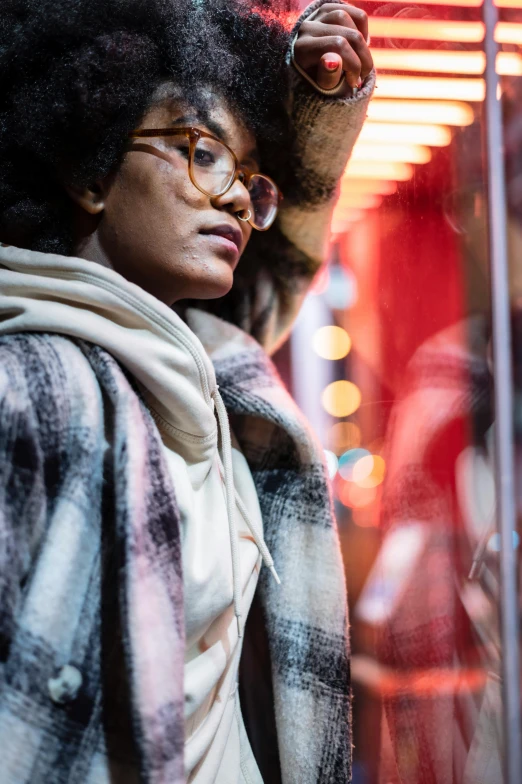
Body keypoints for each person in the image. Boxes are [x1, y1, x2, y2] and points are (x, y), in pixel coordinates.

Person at [0, 0, 374, 781]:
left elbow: (280, 270)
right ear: (90, 168)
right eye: (202, 151)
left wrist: (317, 101)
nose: (237, 197)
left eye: (248, 175)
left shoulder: (214, 368)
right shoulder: (30, 386)